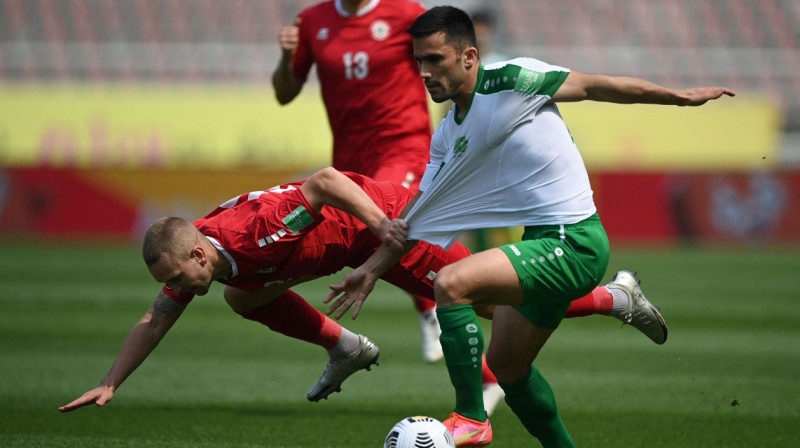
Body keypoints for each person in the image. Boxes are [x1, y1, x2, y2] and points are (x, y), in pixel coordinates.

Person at [324, 6, 735, 447]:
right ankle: (613, 313)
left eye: (435, 60)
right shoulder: (446, 136)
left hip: (574, 242)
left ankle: (470, 416)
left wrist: (677, 96)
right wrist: (371, 269)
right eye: (419, 61)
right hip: (540, 242)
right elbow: (420, 215)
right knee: (508, 367)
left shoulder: (511, 79)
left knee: (452, 283)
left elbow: (593, 84)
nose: (424, 72)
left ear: (469, 57)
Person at [58, 168, 665, 415]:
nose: (171, 291)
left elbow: (324, 181)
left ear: (195, 254)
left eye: (172, 278)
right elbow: (155, 319)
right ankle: (345, 346)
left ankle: (617, 296)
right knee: (243, 296)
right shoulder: (212, 263)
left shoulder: (254, 234)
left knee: (485, 300)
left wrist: (384, 234)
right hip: (351, 251)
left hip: (389, 226)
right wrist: (112, 381)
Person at [271, 0, 445, 363]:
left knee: (385, 222)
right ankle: (428, 306)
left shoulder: (405, 12)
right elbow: (285, 94)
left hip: (404, 145)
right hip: (350, 158)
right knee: (370, 235)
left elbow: (442, 58)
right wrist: (287, 57)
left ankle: (434, 305)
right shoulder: (313, 20)